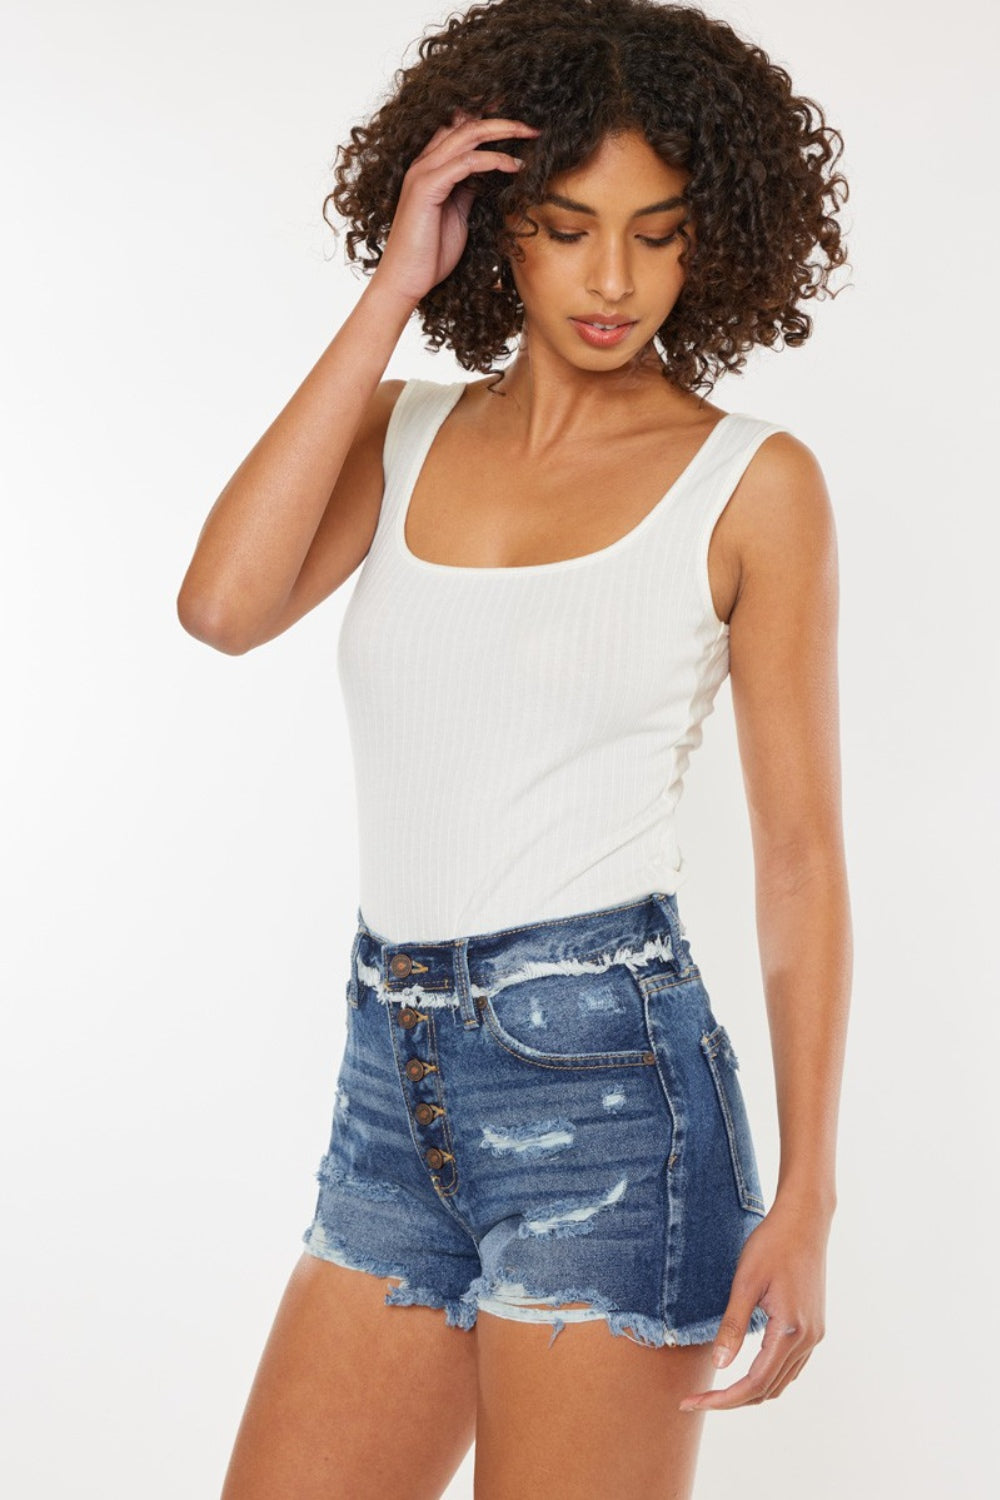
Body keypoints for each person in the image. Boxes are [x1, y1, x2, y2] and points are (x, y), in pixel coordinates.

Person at [177, 1, 852, 1494]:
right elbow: (222, 607)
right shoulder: (406, 431)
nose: (616, 280)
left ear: (715, 239)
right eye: (564, 226)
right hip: (388, 1090)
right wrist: (389, 294)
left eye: (660, 234)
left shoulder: (751, 485)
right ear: (496, 227)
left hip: (611, 1101)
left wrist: (804, 1192)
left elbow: (800, 857)